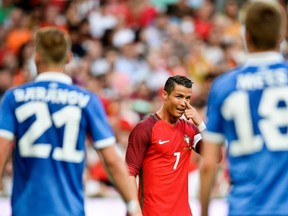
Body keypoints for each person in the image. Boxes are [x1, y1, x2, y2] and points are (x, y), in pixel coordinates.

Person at [0, 27, 140, 216]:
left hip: (27, 209)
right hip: (68, 210)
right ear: (68, 57)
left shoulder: (14, 98)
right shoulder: (87, 100)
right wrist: (132, 205)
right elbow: (111, 160)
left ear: (37, 56)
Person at [199, 1, 288, 216]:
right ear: (281, 36)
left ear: (246, 36)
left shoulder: (224, 85)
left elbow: (209, 164)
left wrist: (203, 212)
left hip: (245, 207)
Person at [125, 75, 207, 216]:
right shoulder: (145, 129)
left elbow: (216, 156)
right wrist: (135, 210)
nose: (184, 103)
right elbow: (129, 172)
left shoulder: (190, 129)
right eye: (179, 97)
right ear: (165, 95)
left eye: (187, 98)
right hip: (152, 212)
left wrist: (200, 123)